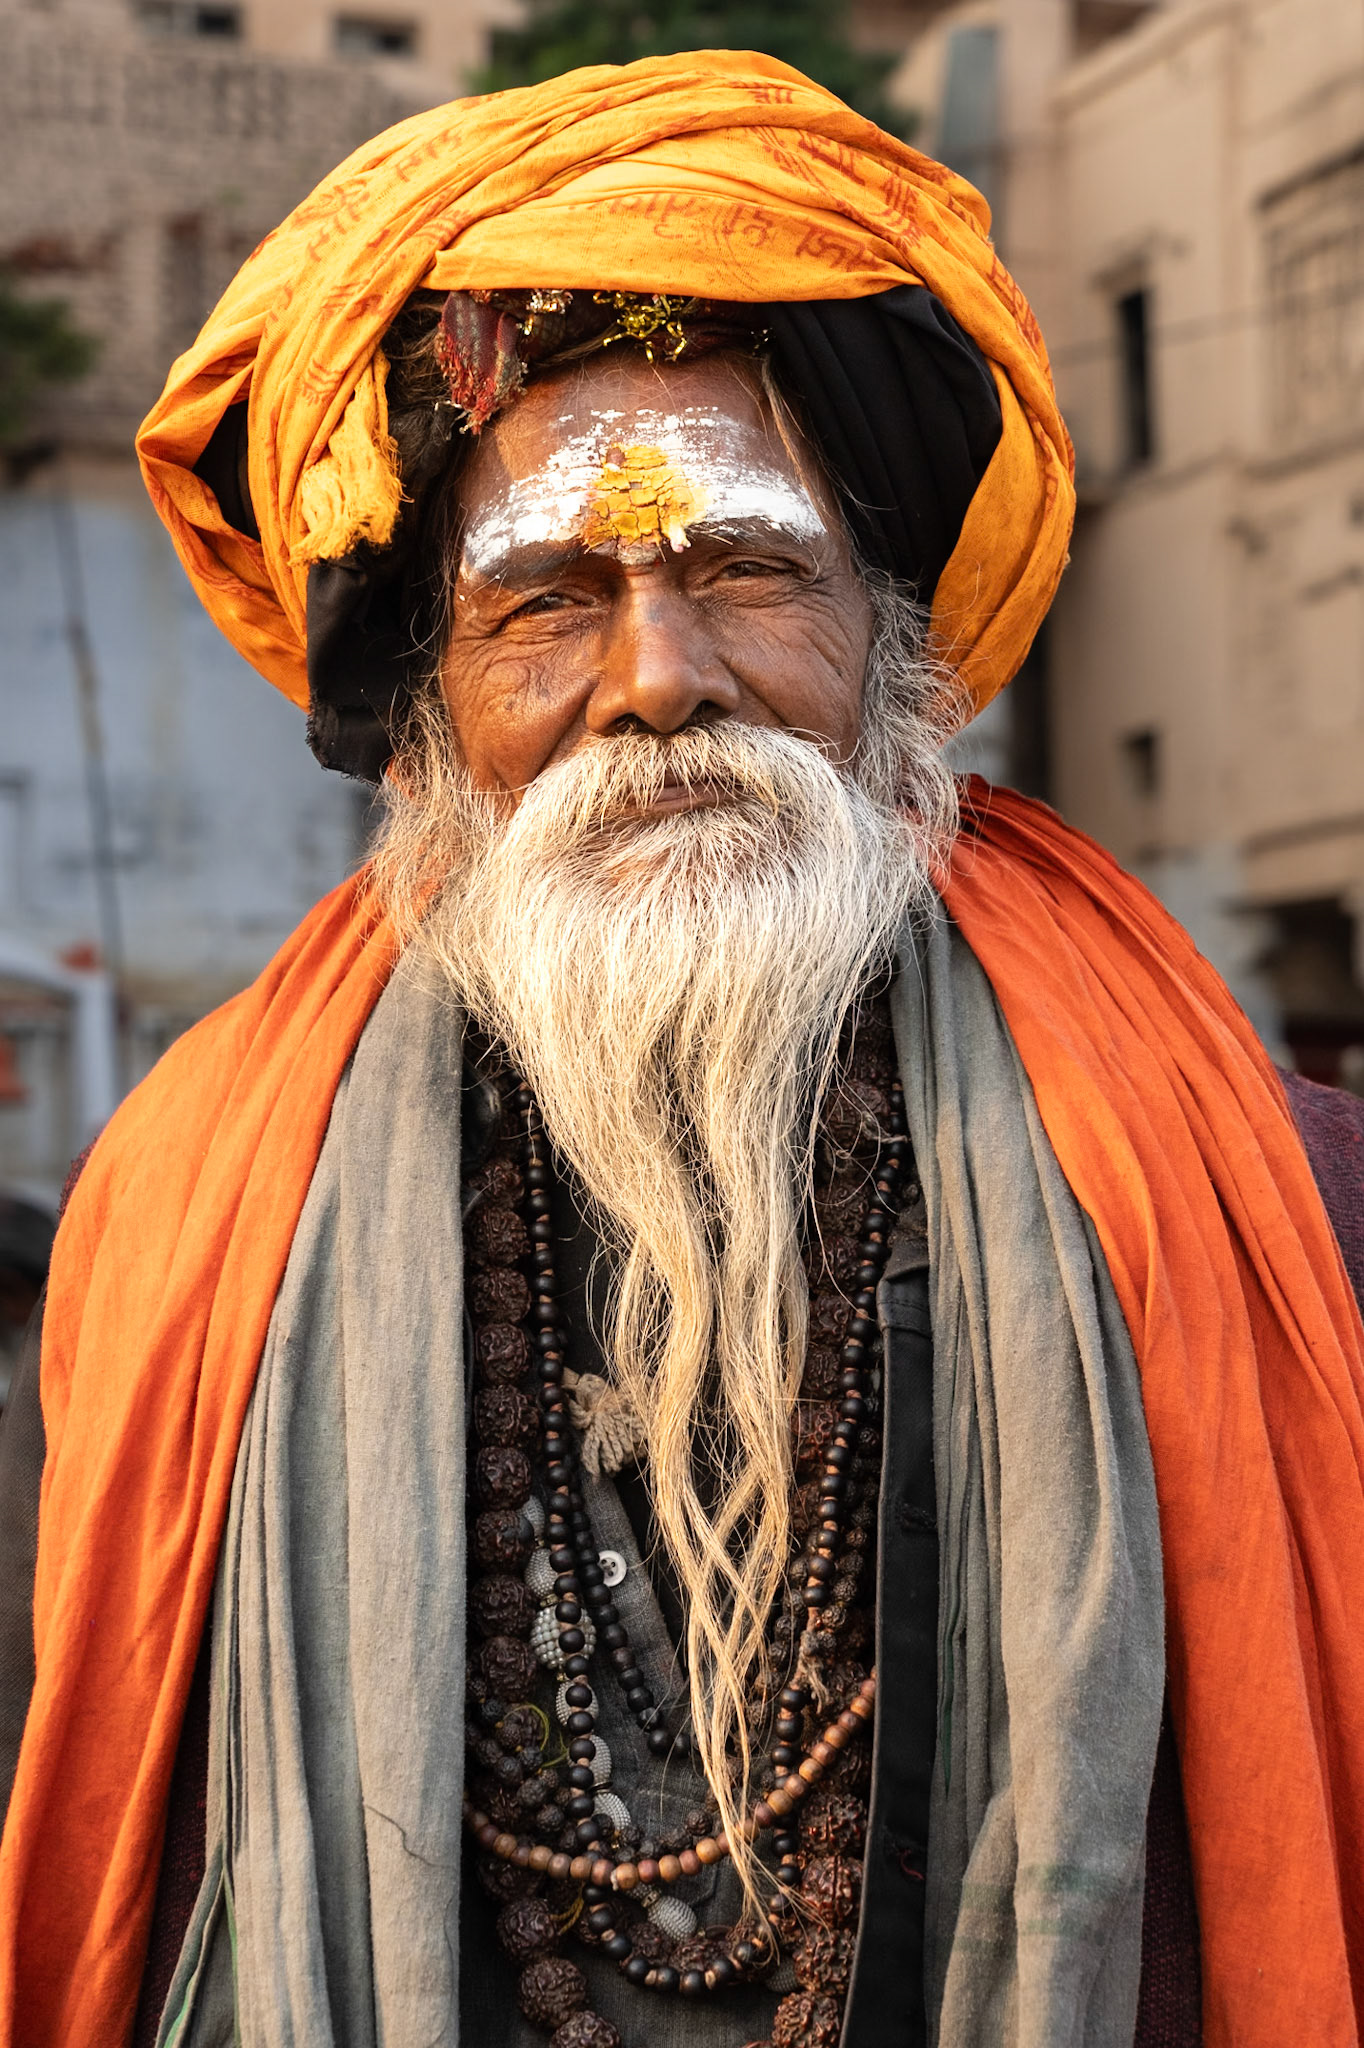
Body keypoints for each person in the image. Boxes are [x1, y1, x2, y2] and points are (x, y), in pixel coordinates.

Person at [1, 51, 1362, 2048]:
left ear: (892, 639)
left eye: (745, 569)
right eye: (547, 600)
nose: (662, 682)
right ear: (425, 711)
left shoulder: (1288, 1194)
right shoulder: (192, 1209)